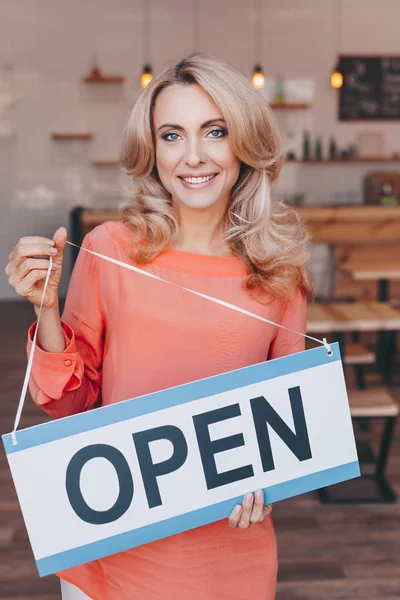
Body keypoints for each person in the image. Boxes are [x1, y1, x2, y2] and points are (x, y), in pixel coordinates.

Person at [5, 53, 312, 600]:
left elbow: (287, 431)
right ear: (153, 151)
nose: (193, 156)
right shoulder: (109, 248)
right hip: (110, 557)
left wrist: (268, 484)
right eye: (172, 135)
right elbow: (70, 403)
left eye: (214, 131)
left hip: (231, 556)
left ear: (244, 140)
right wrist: (45, 310)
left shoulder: (280, 270)